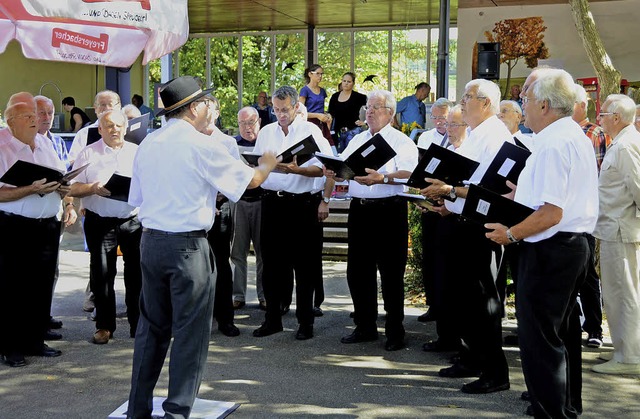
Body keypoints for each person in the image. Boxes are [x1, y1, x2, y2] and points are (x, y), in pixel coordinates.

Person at [126, 76, 277, 419]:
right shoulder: (202, 145)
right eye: (207, 102)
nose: (210, 107)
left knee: (151, 330)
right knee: (191, 335)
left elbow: (136, 198)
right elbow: (249, 181)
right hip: (188, 248)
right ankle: (176, 411)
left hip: (150, 242)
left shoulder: (148, 143)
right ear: (193, 108)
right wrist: (267, 163)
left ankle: (138, 409)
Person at [486, 68, 598, 417]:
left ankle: (551, 411)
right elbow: (558, 198)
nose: (523, 106)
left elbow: (551, 213)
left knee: (540, 341)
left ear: (546, 105)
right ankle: (566, 406)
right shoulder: (571, 135)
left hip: (551, 248)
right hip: (573, 245)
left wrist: (511, 233)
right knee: (561, 335)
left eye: (527, 100)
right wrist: (524, 193)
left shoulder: (552, 142)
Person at [421, 79, 512, 394]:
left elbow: (489, 188)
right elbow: (466, 181)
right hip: (462, 221)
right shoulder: (474, 134)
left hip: (483, 228)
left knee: (483, 301)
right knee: (463, 298)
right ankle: (471, 357)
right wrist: (450, 202)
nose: (463, 100)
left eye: (468, 96)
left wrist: (448, 190)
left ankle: (495, 372)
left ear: (485, 102)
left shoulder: (496, 135)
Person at [325, 89, 418, 351]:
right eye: (369, 106)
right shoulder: (356, 140)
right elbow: (344, 168)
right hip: (361, 211)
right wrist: (334, 171)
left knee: (391, 274)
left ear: (390, 112)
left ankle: (395, 331)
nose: (371, 111)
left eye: (377, 107)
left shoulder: (402, 142)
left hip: (389, 210)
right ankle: (365, 327)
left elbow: (410, 173)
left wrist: (383, 177)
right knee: (358, 271)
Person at [252, 85, 333, 341]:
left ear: (296, 106)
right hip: (272, 204)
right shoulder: (266, 132)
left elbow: (325, 169)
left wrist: (296, 171)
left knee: (305, 266)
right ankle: (272, 319)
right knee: (272, 264)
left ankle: (305, 322)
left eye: (285, 109)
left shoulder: (311, 131)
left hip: (301, 205)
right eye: (276, 110)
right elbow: (257, 165)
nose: (280, 114)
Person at [0, 100, 68, 367]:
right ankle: (10, 346)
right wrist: (29, 189)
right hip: (14, 225)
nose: (34, 119)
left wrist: (62, 187)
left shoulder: (45, 143)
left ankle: (35, 341)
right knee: (11, 287)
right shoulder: (2, 147)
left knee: (40, 285)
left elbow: (58, 175)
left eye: (33, 114)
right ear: (11, 121)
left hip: (47, 224)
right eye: (26, 115)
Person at [69, 110, 142, 344]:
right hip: (99, 220)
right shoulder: (88, 153)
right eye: (109, 126)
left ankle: (138, 324)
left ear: (126, 127)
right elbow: (72, 187)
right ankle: (104, 326)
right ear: (100, 129)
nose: (114, 130)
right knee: (101, 274)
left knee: (137, 275)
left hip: (132, 220)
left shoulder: (137, 153)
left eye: (119, 126)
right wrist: (92, 187)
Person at [591, 94, 640, 375]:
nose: (600, 119)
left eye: (603, 115)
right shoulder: (621, 143)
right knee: (617, 291)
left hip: (621, 229)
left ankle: (629, 356)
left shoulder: (625, 146)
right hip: (614, 227)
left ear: (617, 117)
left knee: (623, 292)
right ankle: (624, 348)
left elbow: (638, 186)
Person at [420, 104, 467, 353]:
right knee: (441, 277)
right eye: (445, 124)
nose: (446, 128)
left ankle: (458, 341)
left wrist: (447, 202)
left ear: (465, 126)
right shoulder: (446, 147)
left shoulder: (468, 150)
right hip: (440, 217)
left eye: (452, 124)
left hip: (459, 222)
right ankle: (445, 336)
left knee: (456, 283)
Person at [35, 95, 78, 341]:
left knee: (51, 268)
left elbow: (66, 179)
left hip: (54, 213)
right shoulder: (19, 142)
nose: (46, 118)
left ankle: (44, 315)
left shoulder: (58, 142)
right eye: (41, 112)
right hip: (24, 216)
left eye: (50, 113)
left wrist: (70, 204)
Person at [572, 83, 611, 349]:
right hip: (564, 214)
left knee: (586, 275)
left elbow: (596, 177)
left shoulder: (593, 133)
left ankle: (593, 327)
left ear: (582, 105)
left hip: (582, 214)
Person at [201, 96, 242, 337]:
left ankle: (225, 318)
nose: (206, 114)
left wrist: (220, 195)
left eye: (210, 109)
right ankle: (199, 318)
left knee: (221, 264)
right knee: (196, 268)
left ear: (217, 113)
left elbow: (235, 175)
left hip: (220, 208)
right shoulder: (189, 139)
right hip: (193, 209)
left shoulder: (226, 142)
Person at [414, 97, 453, 325]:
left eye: (443, 118)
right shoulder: (426, 137)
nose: (439, 122)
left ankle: (445, 306)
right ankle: (432, 304)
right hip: (428, 202)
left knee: (443, 259)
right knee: (429, 257)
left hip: (448, 203)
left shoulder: (458, 138)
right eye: (435, 117)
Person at [231, 106, 266, 310]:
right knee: (237, 252)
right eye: (242, 123)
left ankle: (263, 295)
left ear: (259, 122)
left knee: (263, 253)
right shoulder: (232, 144)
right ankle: (238, 295)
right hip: (239, 201)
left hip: (262, 201)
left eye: (251, 122)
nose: (247, 127)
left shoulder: (267, 142)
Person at [68, 90, 121, 163]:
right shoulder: (84, 134)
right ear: (95, 108)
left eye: (110, 104)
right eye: (102, 105)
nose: (107, 108)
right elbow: (72, 161)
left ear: (119, 107)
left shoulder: (129, 130)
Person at [327, 72, 367, 152]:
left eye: (349, 82)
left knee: (351, 156)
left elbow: (373, 107)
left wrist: (365, 122)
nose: (346, 83)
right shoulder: (335, 96)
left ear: (353, 83)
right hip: (338, 132)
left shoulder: (359, 97)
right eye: (344, 81)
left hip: (353, 131)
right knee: (339, 157)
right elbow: (330, 114)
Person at [300, 64, 334, 147]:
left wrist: (327, 115)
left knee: (329, 147)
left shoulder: (322, 91)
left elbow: (321, 109)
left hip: (323, 125)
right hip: (309, 125)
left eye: (322, 74)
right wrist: (317, 115)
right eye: (318, 73)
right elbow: (300, 113)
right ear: (310, 74)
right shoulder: (304, 90)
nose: (320, 76)